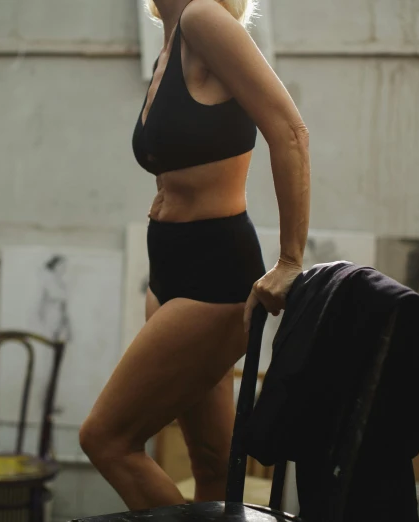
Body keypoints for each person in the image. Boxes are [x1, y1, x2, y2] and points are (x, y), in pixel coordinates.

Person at [79, 0, 311, 510]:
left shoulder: (204, 18)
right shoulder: (170, 38)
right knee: (211, 461)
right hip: (168, 268)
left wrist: (291, 260)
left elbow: (290, 132)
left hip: (216, 274)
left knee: (106, 440)